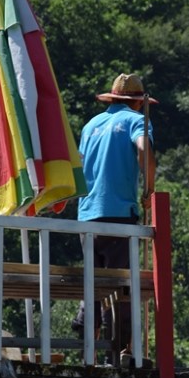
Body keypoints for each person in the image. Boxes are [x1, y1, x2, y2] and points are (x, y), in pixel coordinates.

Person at [71, 73, 157, 358]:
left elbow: (79, 166)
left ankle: (88, 354)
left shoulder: (90, 125)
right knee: (122, 286)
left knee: (93, 283)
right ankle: (121, 353)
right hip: (119, 215)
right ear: (136, 102)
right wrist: (150, 189)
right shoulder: (136, 121)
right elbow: (144, 148)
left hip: (87, 216)